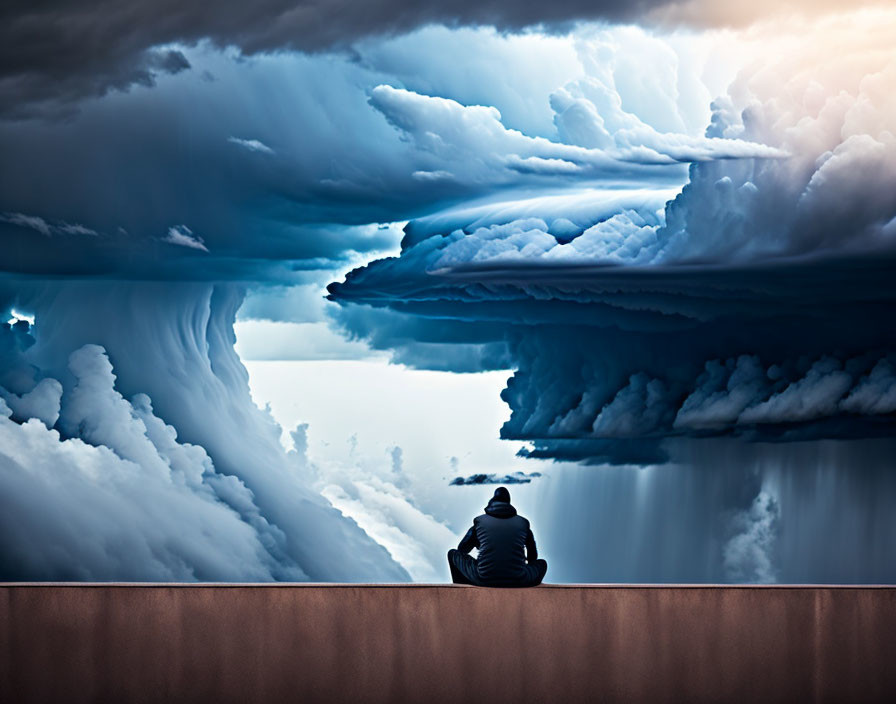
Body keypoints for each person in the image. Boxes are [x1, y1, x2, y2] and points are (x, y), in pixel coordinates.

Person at [447, 486, 547, 587]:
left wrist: (479, 544)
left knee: (453, 554)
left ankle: (461, 590)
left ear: (492, 502)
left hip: (483, 579)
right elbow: (533, 557)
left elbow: (462, 549)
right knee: (542, 564)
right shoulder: (524, 523)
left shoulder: (479, 522)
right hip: (519, 580)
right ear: (509, 503)